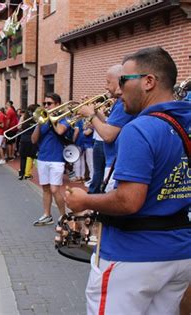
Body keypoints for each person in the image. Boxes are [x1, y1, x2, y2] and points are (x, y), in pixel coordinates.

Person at [66, 46, 191, 314]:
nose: (119, 90)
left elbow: (129, 200)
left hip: (133, 255)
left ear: (149, 82)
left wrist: (84, 199)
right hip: (179, 252)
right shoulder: (186, 122)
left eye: (125, 80)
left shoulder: (140, 128)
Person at [79, 64, 135, 192]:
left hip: (115, 163)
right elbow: (110, 123)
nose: (106, 86)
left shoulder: (123, 103)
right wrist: (95, 110)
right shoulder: (120, 102)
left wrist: (91, 115)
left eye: (109, 82)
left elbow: (109, 135)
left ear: (120, 80)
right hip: (113, 160)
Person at [31, 93, 69, 226]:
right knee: (46, 189)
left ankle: (64, 216)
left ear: (57, 104)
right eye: (45, 103)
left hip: (56, 159)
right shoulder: (42, 120)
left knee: (54, 189)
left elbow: (60, 131)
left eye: (49, 103)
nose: (46, 106)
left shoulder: (64, 119)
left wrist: (52, 119)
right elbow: (34, 140)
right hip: (42, 158)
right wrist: (39, 124)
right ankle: (47, 215)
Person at [18, 104, 38, 180]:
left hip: (23, 138)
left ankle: (21, 174)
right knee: (30, 156)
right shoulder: (37, 118)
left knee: (23, 157)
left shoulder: (23, 117)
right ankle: (27, 174)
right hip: (32, 139)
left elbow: (18, 127)